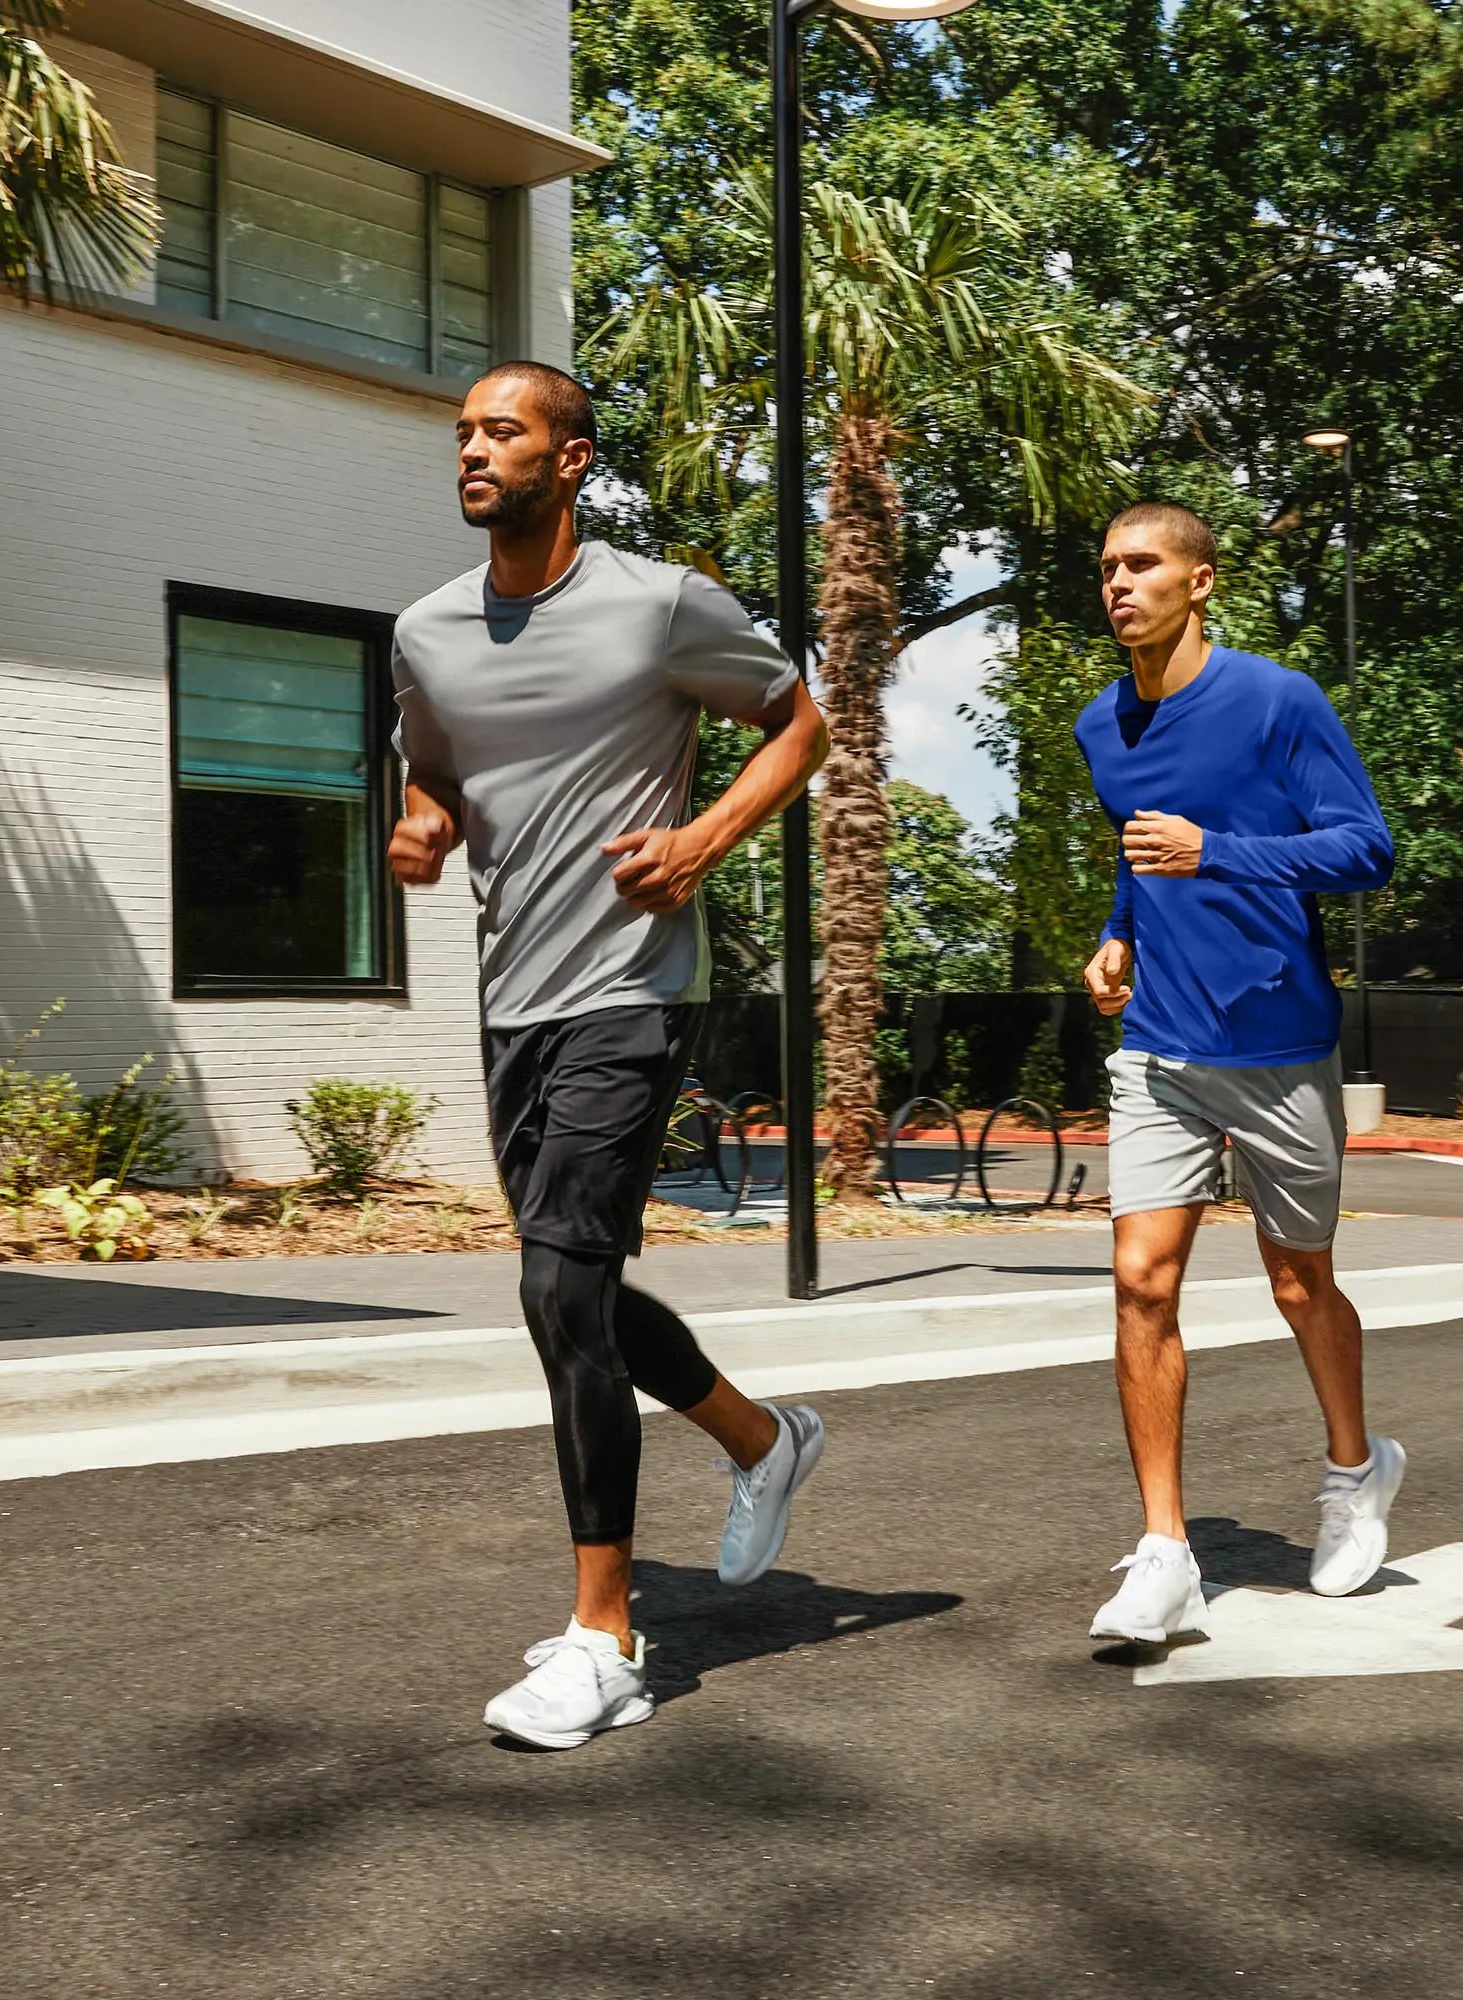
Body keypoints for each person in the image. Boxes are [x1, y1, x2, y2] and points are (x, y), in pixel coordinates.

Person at [388, 361, 831, 1748]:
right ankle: (763, 1439)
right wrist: (423, 822)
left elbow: (798, 722)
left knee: (555, 1287)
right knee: (572, 1291)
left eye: (503, 431)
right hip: (511, 995)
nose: (474, 450)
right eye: (464, 432)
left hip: (633, 990)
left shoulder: (659, 603)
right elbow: (439, 763)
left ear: (569, 461)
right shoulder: (428, 630)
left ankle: (606, 1637)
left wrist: (704, 840)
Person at [1075, 500, 1402, 1643]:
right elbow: (1136, 852)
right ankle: (1164, 1546)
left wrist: (1220, 852)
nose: (1118, 583)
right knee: (1140, 1279)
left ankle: (1355, 1470)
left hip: (1277, 1040)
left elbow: (1365, 844)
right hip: (1158, 1044)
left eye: (1142, 565)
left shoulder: (1276, 700)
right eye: (1107, 568)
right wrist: (1118, 931)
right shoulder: (1098, 723)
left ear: (1198, 580)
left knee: (1298, 1280)